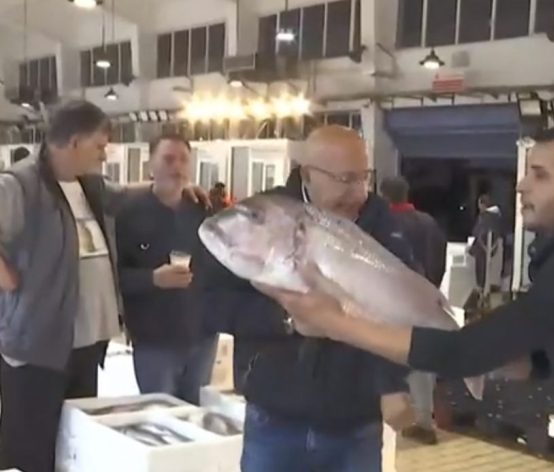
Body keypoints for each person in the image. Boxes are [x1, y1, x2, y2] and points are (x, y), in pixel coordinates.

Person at [257, 127, 554, 472]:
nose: (521, 185)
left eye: (540, 175)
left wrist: (336, 323)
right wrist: (504, 352)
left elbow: (457, 354)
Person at [0, 100, 208, 472]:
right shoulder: (20, 185)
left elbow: (130, 192)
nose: (105, 153)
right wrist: (9, 279)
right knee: (31, 449)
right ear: (74, 142)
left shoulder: (88, 185)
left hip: (84, 345)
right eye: (99, 145)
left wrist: (179, 185)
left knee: (73, 443)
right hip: (37, 346)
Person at [198, 125, 414, 472]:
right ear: (308, 174)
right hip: (274, 416)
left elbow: (403, 309)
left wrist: (391, 382)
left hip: (356, 421)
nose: (358, 192)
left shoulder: (383, 226)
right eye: (345, 179)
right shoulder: (257, 219)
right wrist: (287, 320)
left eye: (363, 177)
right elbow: (209, 305)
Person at [116, 133, 218, 405]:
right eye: (169, 159)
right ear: (151, 164)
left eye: (184, 159)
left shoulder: (203, 209)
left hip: (202, 336)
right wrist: (152, 279)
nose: (177, 167)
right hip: (155, 340)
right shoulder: (128, 213)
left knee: (197, 415)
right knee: (160, 415)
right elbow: (113, 278)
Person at [380, 175, 447, 445]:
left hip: (395, 302)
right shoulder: (428, 223)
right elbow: (440, 259)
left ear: (384, 195)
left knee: (393, 355)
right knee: (423, 360)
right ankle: (424, 420)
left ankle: (398, 418)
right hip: (426, 301)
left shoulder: (386, 224)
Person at [469, 193, 504, 292]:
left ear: (482, 204)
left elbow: (477, 232)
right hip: (494, 249)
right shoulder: (498, 217)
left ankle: (481, 290)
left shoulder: (484, 217)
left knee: (481, 273)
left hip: (482, 249)